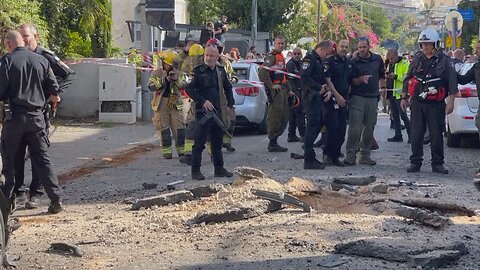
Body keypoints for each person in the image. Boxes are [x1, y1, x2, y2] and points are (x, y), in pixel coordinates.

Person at [0, 30, 63, 214]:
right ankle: (56, 199)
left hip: (15, 119)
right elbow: (54, 90)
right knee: (43, 160)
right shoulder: (41, 60)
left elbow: (1, 90)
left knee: (10, 160)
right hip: (37, 119)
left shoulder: (7, 61)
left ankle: (9, 203)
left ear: (9, 44)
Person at [14, 23, 75, 209]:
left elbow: (68, 74)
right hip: (18, 114)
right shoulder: (15, 57)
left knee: (38, 155)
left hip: (40, 113)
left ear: (35, 36)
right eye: (21, 36)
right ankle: (19, 192)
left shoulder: (45, 56)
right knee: (16, 155)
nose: (24, 40)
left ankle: (36, 193)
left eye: (26, 36)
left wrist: (53, 94)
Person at [400, 28, 457, 174]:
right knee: (416, 133)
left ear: (435, 44)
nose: (425, 46)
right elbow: (408, 78)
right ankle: (415, 162)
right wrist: (404, 97)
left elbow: (452, 83)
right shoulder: (417, 59)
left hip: (436, 104)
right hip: (418, 103)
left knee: (436, 134)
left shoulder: (445, 60)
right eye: (423, 43)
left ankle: (437, 163)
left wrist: (451, 102)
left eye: (428, 43)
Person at [186, 46, 234, 180]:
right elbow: (189, 89)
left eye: (211, 56)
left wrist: (230, 104)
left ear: (217, 57)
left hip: (218, 111)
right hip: (203, 112)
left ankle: (219, 169)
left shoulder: (220, 71)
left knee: (217, 142)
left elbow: (228, 87)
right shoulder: (198, 71)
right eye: (206, 55)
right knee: (199, 143)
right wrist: (203, 101)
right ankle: (195, 171)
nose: (208, 58)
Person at [344, 37, 386, 166]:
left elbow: (381, 76)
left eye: (364, 47)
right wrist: (360, 79)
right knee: (355, 128)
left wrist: (383, 88)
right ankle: (351, 155)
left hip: (373, 98)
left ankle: (365, 155)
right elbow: (350, 81)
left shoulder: (377, 59)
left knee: (369, 127)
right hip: (357, 97)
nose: (361, 49)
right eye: (360, 47)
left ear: (369, 47)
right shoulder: (353, 62)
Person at [301, 40, 337, 169]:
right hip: (310, 97)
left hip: (318, 97)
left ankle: (309, 151)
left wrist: (326, 89)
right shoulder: (309, 59)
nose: (327, 56)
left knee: (319, 122)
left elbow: (321, 78)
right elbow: (305, 77)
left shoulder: (318, 60)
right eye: (326, 53)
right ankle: (308, 158)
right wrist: (318, 87)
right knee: (312, 125)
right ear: (321, 49)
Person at [148, 50, 187, 160]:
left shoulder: (179, 73)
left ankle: (181, 152)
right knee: (163, 129)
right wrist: (164, 80)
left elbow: (184, 85)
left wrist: (176, 80)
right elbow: (151, 86)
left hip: (175, 103)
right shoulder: (156, 73)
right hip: (161, 104)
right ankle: (167, 152)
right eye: (166, 64)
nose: (168, 66)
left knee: (180, 129)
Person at [259, 35, 293, 152]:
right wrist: (271, 85)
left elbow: (284, 75)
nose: (281, 45)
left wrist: (289, 90)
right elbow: (262, 71)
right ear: (274, 44)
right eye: (279, 43)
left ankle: (275, 140)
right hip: (276, 91)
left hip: (283, 89)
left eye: (283, 43)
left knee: (284, 116)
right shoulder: (272, 57)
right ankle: (272, 142)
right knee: (275, 116)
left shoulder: (281, 57)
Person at [323, 39, 351, 166]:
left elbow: (349, 81)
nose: (344, 49)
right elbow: (327, 79)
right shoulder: (330, 61)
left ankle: (336, 155)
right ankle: (328, 155)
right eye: (342, 46)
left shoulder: (348, 63)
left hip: (344, 99)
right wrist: (337, 95)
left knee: (341, 128)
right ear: (337, 47)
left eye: (346, 47)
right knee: (332, 128)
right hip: (332, 98)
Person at [457, 40, 480, 181]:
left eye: (479, 48)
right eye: (476, 48)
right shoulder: (477, 67)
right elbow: (463, 79)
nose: (477, 51)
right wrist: (450, 73)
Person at [385, 48, 410, 143]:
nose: (390, 60)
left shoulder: (404, 63)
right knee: (395, 115)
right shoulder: (390, 64)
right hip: (392, 92)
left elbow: (406, 78)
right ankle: (398, 135)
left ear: (396, 55)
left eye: (391, 58)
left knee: (403, 115)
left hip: (400, 93)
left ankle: (411, 135)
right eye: (389, 58)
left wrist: (395, 77)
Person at [285, 47, 305, 142]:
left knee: (294, 114)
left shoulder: (302, 64)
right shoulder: (290, 64)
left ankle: (291, 134)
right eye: (295, 54)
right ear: (292, 54)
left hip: (302, 91)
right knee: (299, 114)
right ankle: (303, 135)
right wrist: (294, 92)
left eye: (299, 54)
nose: (297, 55)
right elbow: (289, 79)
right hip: (294, 92)